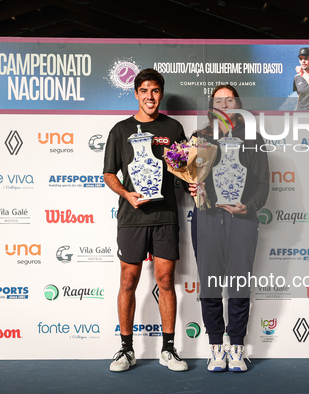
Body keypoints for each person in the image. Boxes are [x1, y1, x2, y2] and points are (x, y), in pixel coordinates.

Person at [103, 68, 188, 372]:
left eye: (155, 91)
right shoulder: (120, 130)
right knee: (128, 280)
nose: (149, 97)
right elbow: (109, 173)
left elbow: (184, 168)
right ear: (136, 93)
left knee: (165, 281)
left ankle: (168, 349)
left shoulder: (174, 127)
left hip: (165, 216)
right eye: (144, 91)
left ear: (161, 94)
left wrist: (192, 181)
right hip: (132, 217)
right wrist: (126, 194)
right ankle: (126, 350)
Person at [189, 85, 269, 372]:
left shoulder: (253, 139)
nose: (224, 105)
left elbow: (263, 185)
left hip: (242, 221)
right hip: (207, 219)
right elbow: (188, 177)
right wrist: (190, 186)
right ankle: (215, 348)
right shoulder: (199, 138)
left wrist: (247, 207)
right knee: (209, 285)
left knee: (238, 285)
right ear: (212, 107)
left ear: (238, 105)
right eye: (218, 101)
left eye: (230, 100)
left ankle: (236, 347)